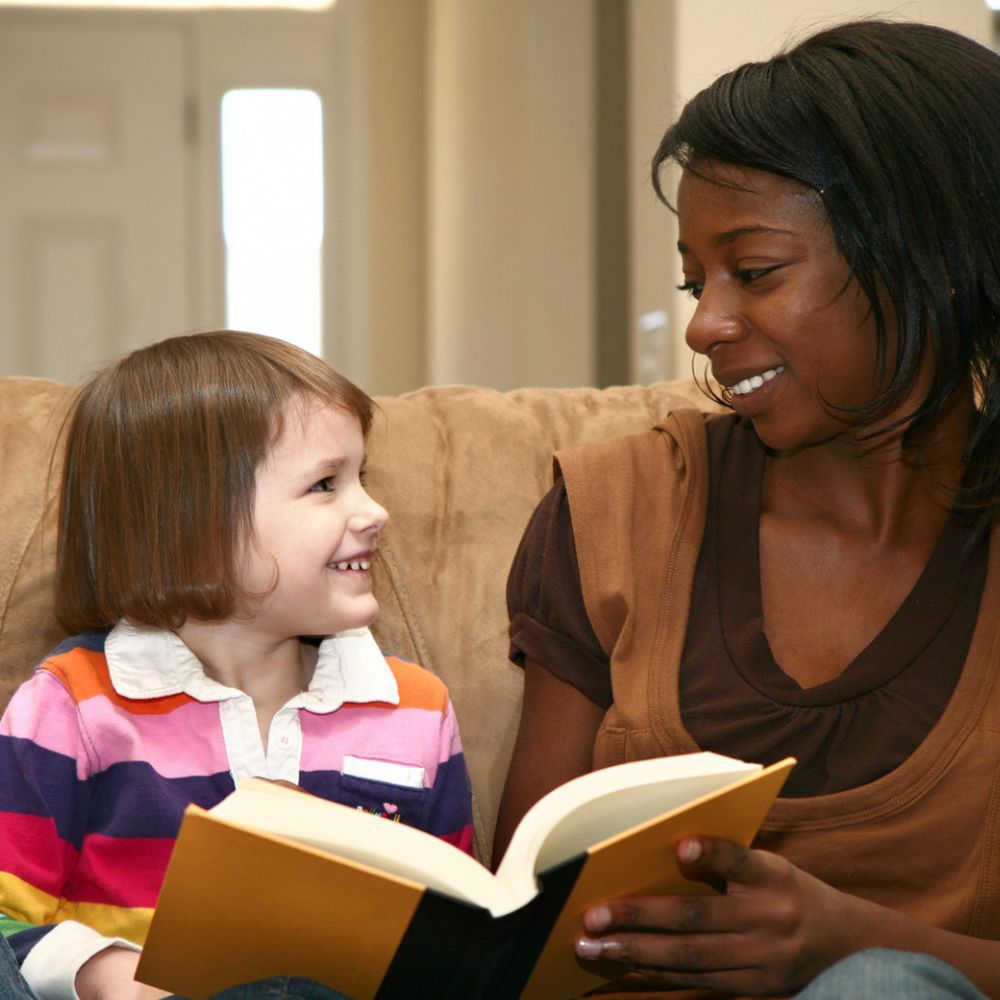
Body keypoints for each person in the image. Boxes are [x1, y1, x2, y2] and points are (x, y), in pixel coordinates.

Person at [496, 18, 1000, 998]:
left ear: (930, 257)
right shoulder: (614, 511)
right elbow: (527, 920)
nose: (705, 322)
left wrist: (840, 941)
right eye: (696, 280)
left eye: (754, 271)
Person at [0, 331, 474, 998]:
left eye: (362, 478)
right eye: (324, 485)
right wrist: (101, 972)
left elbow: (453, 925)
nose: (373, 512)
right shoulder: (73, 707)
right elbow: (7, 919)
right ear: (192, 525)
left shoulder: (415, 708)